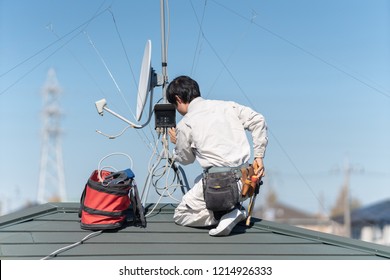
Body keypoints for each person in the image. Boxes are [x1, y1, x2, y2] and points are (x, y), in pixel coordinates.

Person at [166, 75, 268, 236]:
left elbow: (186, 159)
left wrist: (177, 142)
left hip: (220, 188)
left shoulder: (186, 123)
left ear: (178, 99)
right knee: (198, 180)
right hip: (245, 183)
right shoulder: (228, 106)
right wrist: (259, 156)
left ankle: (224, 215)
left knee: (181, 214)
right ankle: (231, 209)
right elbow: (258, 120)